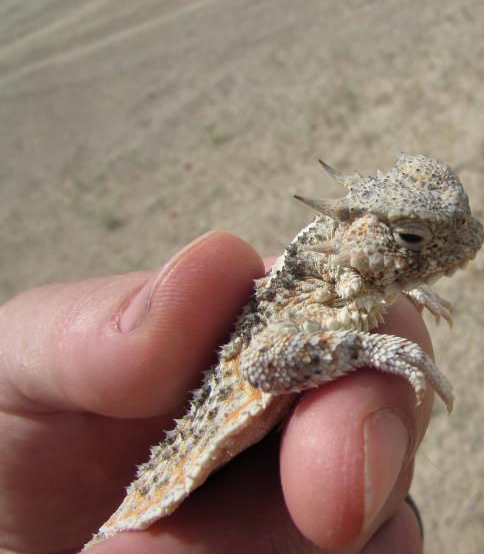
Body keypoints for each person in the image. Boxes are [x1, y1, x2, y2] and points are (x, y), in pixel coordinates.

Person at [0, 231, 430, 553]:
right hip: (138, 508)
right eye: (411, 237)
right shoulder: (311, 289)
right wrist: (371, 346)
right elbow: (263, 364)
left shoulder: (338, 281)